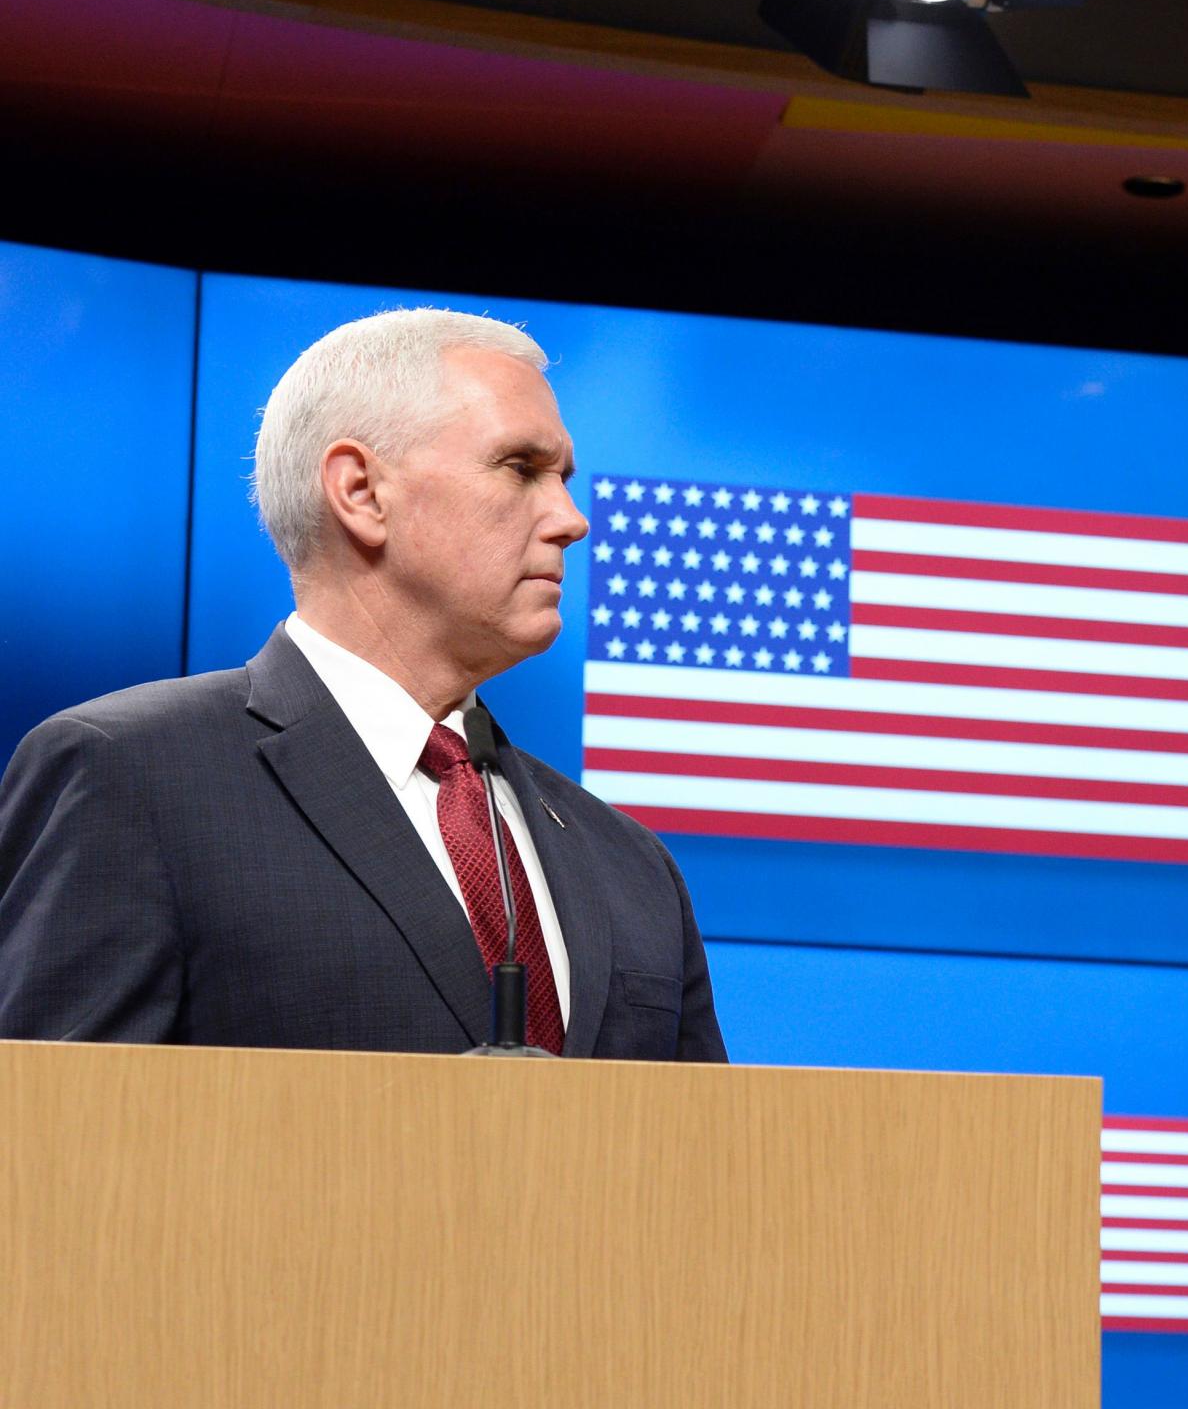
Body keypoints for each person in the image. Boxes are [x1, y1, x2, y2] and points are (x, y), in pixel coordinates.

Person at [0, 308, 725, 1060]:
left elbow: (712, 1164)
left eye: (564, 478)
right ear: (361, 491)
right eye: (521, 468)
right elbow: (46, 1156)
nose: (571, 519)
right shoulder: (129, 776)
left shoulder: (630, 862)